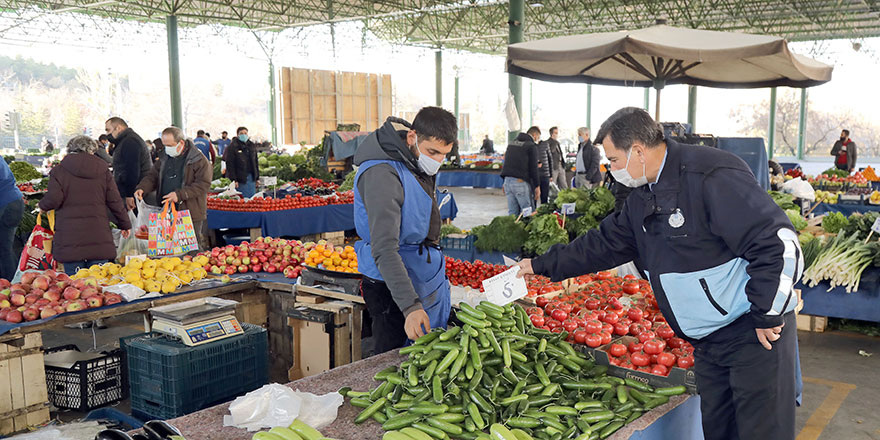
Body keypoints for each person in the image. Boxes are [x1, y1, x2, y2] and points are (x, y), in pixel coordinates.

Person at [515, 107, 801, 440]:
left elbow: (778, 243)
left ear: (637, 150)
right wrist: (539, 265)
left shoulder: (710, 176)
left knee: (762, 433)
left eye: (614, 161)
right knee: (720, 431)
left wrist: (767, 312)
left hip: (753, 334)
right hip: (707, 343)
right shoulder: (642, 197)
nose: (612, 169)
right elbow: (602, 244)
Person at [352, 107, 456, 353]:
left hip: (419, 274)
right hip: (392, 286)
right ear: (412, 138)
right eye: (433, 152)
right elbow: (385, 249)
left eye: (444, 154)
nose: (438, 161)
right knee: (395, 363)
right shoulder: (382, 174)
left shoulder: (411, 160)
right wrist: (410, 307)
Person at [38, 136, 131, 276]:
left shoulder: (59, 171)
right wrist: (124, 224)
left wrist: (42, 206)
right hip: (98, 235)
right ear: (92, 150)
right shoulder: (103, 170)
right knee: (100, 283)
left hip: (70, 237)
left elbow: (54, 199)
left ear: (70, 149)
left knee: (75, 286)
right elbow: (114, 201)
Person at [134, 127, 212, 251]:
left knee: (189, 248)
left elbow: (203, 184)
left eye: (169, 145)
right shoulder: (165, 157)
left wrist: (179, 195)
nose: (167, 149)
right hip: (165, 210)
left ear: (181, 142)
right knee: (166, 247)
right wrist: (142, 188)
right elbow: (153, 176)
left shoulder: (199, 160)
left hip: (189, 211)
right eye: (164, 145)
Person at [105, 117, 152, 211]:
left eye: (108, 130)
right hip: (134, 190)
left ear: (118, 128)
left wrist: (129, 194)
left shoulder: (130, 142)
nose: (107, 134)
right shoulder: (126, 140)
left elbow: (132, 170)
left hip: (135, 191)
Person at [500, 126, 541, 215]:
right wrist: (537, 186)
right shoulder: (531, 146)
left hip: (508, 182)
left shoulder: (511, 144)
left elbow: (506, 162)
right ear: (534, 135)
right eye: (538, 138)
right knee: (528, 213)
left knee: (512, 213)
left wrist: (504, 181)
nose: (537, 140)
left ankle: (512, 228)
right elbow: (533, 167)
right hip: (520, 182)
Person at [0, 159, 24, 280]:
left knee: (3, 248)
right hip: (14, 202)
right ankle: (13, 282)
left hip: (5, 204)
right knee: (6, 247)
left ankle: (8, 284)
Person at [223, 127, 259, 198]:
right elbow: (230, 164)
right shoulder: (232, 147)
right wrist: (234, 180)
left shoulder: (251, 146)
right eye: (241, 133)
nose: (244, 135)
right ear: (237, 135)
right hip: (240, 179)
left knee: (252, 199)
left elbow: (255, 162)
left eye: (245, 133)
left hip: (251, 178)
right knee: (242, 200)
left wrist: (257, 177)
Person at [536, 136, 552, 205]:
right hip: (534, 175)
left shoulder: (545, 144)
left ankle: (544, 213)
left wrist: (551, 175)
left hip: (545, 175)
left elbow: (550, 159)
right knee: (534, 197)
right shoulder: (530, 145)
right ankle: (533, 213)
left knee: (544, 197)